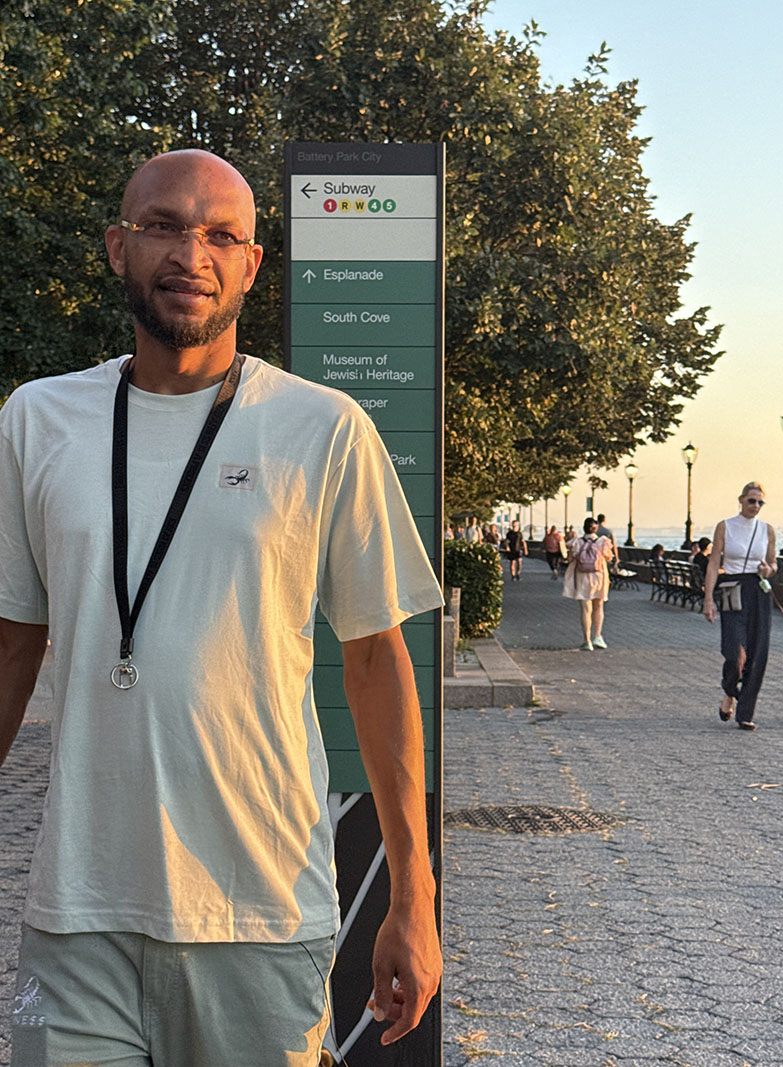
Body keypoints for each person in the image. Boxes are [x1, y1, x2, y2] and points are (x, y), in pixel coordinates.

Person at [0, 149, 444, 1066]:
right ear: (118, 246)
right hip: (77, 912)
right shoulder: (36, 420)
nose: (189, 253)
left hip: (260, 912)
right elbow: (10, 645)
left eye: (220, 234)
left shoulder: (324, 428)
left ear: (250, 264)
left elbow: (376, 660)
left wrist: (413, 898)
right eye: (162, 225)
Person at [702, 482, 777, 730]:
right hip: (732, 590)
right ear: (741, 500)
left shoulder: (767, 530)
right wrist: (708, 599)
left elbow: (773, 565)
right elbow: (714, 563)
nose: (755, 506)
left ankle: (745, 712)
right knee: (734, 652)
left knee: (756, 653)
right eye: (751, 501)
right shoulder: (726, 527)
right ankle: (730, 691)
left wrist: (768, 570)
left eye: (760, 502)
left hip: (758, 591)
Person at [562, 517, 613, 650]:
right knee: (599, 606)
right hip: (599, 576)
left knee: (585, 608)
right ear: (596, 528)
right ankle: (598, 636)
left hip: (582, 576)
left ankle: (587, 640)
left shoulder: (577, 542)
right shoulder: (603, 541)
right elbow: (608, 557)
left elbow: (569, 558)